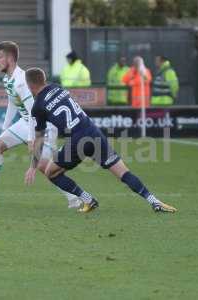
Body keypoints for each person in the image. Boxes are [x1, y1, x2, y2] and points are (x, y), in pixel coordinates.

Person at [24, 67, 177, 214]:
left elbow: (39, 138)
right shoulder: (57, 87)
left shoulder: (37, 107)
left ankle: (88, 199)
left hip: (77, 141)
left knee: (51, 173)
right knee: (123, 173)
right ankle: (154, 201)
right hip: (93, 132)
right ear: (43, 79)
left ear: (29, 85)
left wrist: (33, 166)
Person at [0, 41, 80, 209]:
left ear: (10, 58)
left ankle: (74, 198)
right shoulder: (7, 79)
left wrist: (31, 138)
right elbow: (13, 103)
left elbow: (33, 110)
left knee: (45, 166)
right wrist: (5, 129)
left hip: (43, 125)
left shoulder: (21, 81)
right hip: (25, 122)